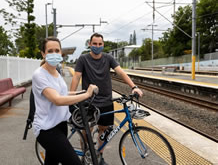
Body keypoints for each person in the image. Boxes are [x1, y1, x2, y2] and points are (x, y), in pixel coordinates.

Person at [70, 33, 143, 165]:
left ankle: (99, 157)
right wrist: (71, 96)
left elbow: (120, 72)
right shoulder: (83, 59)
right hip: (89, 102)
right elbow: (76, 77)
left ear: (103, 45)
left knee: (104, 132)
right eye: (94, 44)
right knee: (86, 131)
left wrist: (134, 87)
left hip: (106, 102)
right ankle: (86, 156)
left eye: (100, 44)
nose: (97, 46)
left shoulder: (108, 58)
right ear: (90, 44)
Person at [32, 36, 98, 165]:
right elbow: (57, 99)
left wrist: (82, 92)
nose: (54, 53)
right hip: (47, 130)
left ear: (61, 52)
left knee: (51, 162)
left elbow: (62, 93)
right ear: (43, 53)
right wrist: (86, 95)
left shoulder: (56, 72)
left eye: (57, 50)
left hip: (61, 124)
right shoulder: (39, 75)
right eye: (50, 51)